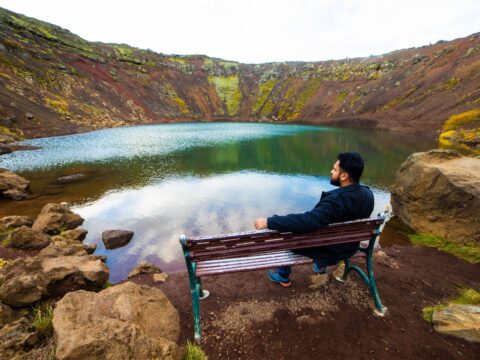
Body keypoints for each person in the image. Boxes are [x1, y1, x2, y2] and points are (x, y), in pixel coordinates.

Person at [254, 152, 374, 287]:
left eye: (334, 169)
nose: (331, 171)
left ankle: (282, 275)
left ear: (344, 175)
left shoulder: (335, 201)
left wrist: (269, 222)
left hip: (333, 250)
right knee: (323, 229)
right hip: (350, 246)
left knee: (288, 235)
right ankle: (320, 267)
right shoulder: (368, 194)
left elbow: (309, 220)